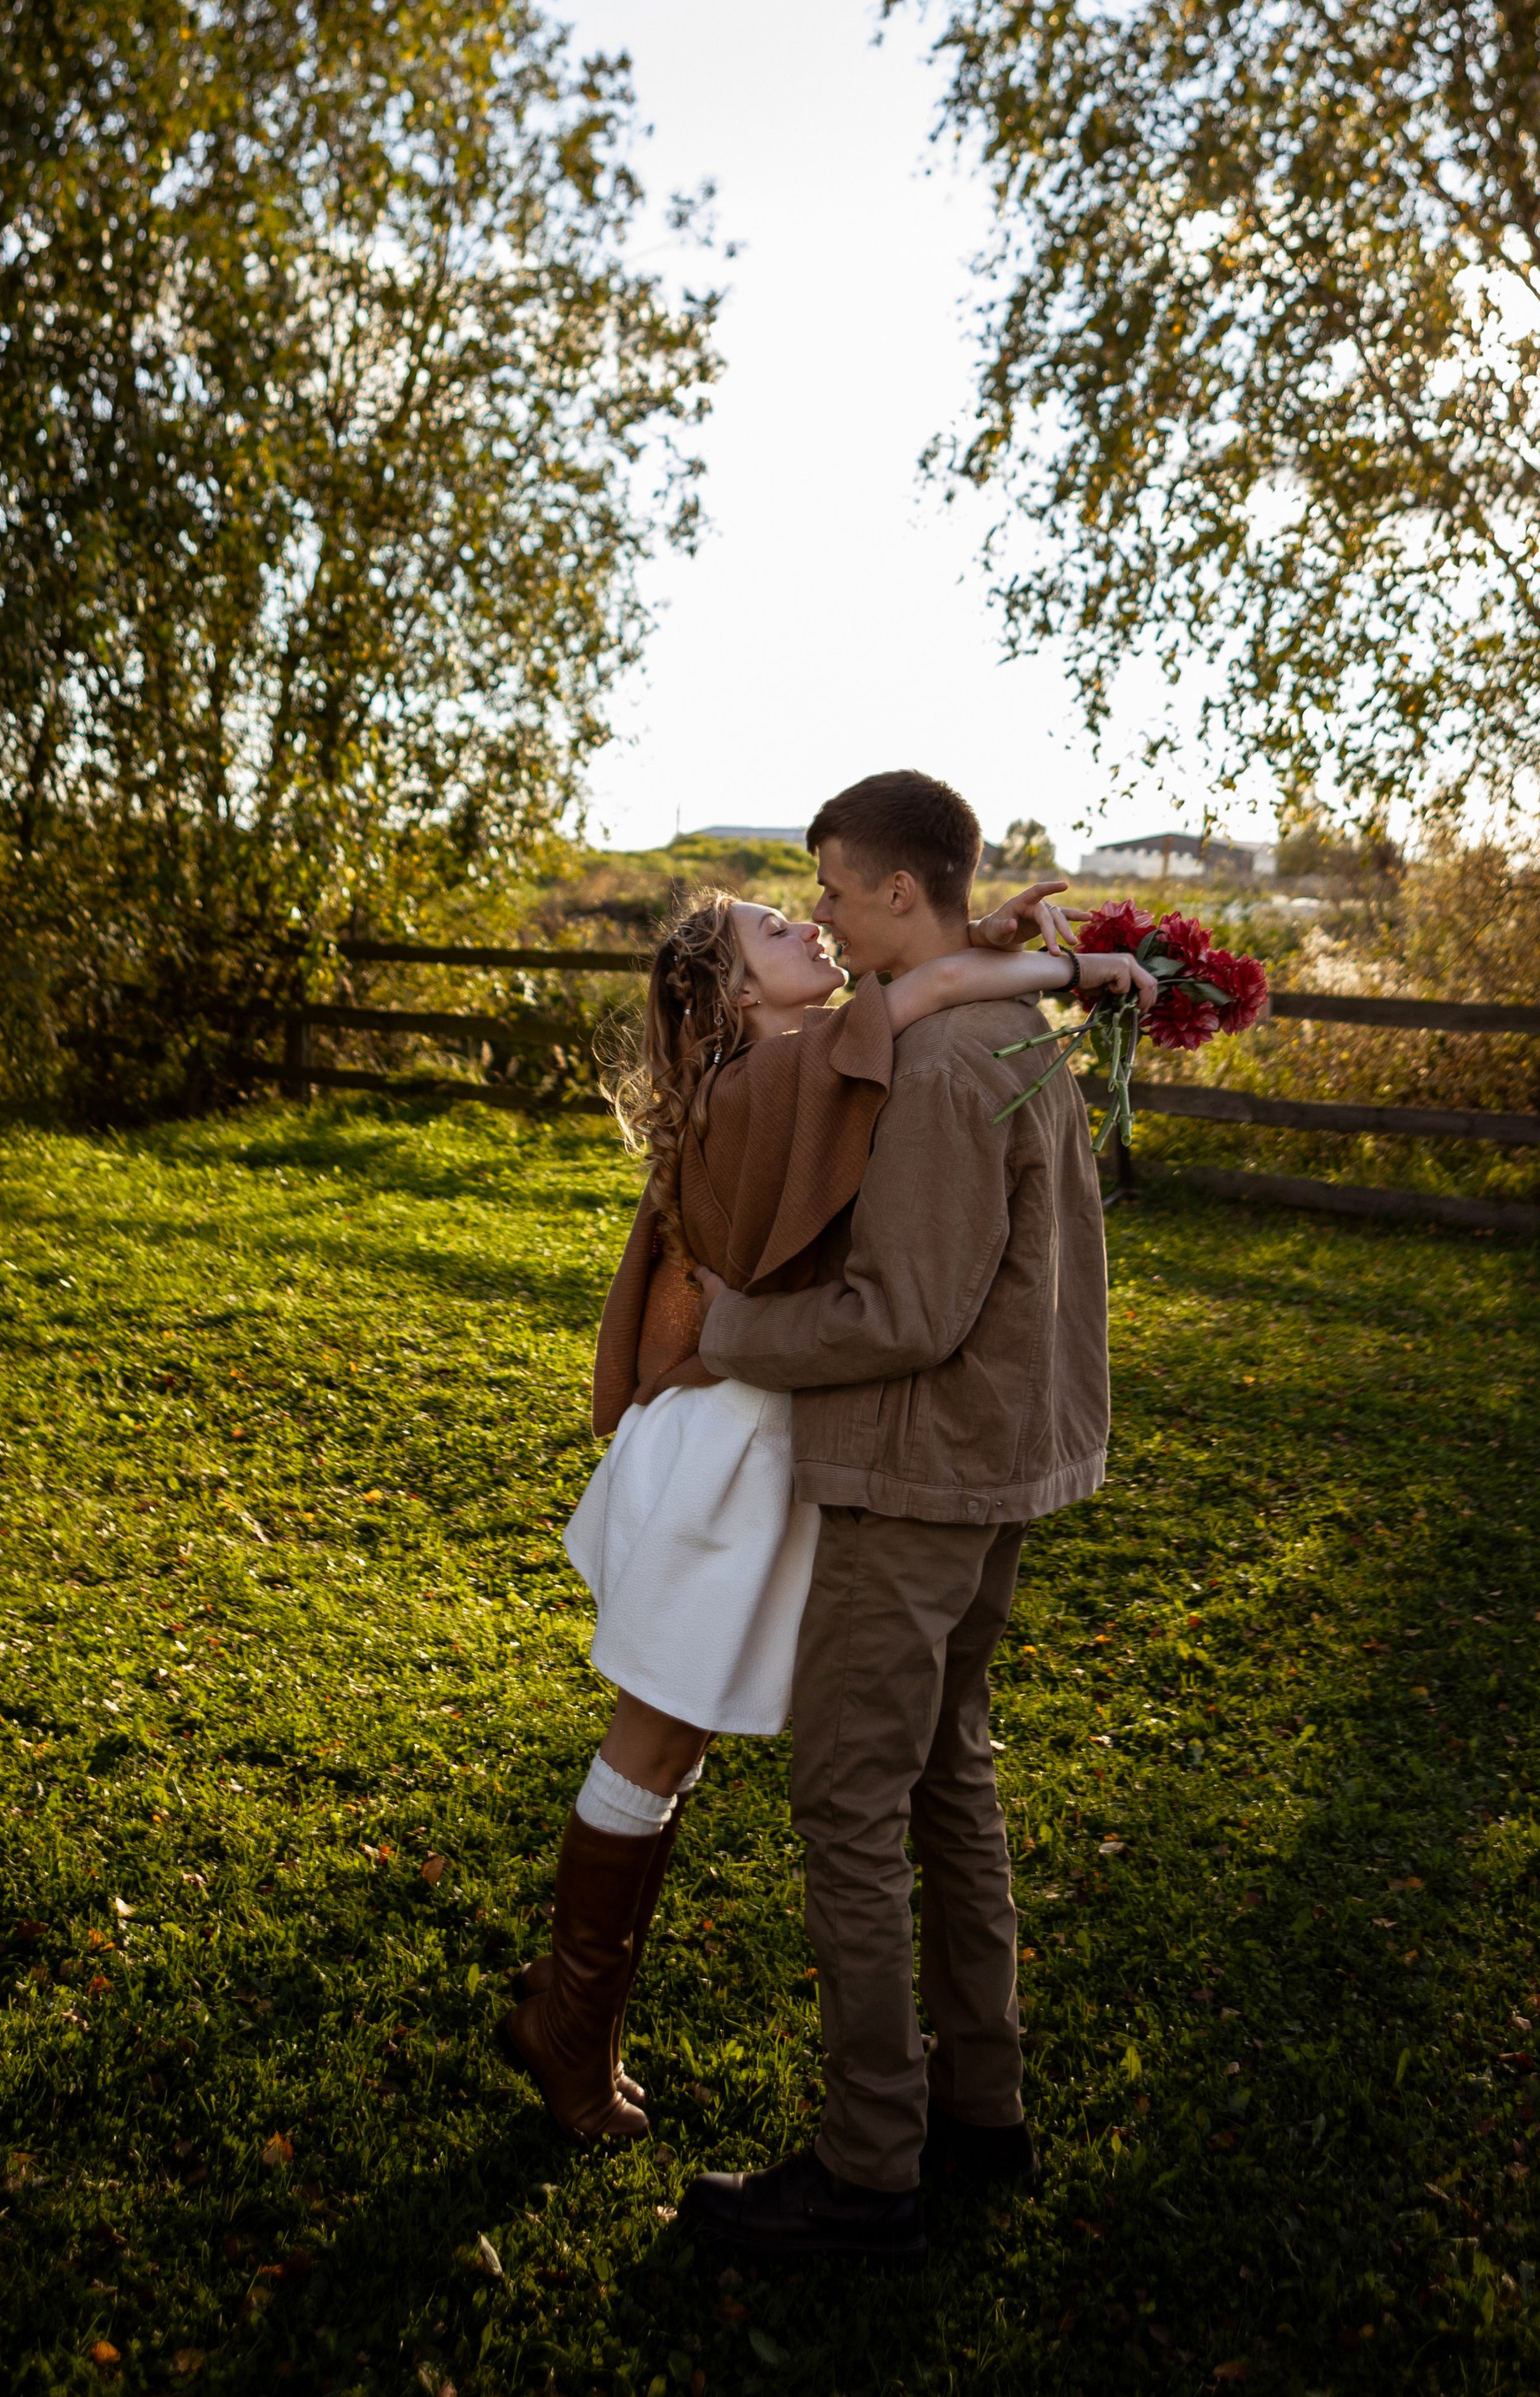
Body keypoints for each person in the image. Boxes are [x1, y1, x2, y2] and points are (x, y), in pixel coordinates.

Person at [498, 869, 1148, 2142]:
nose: (808, 924)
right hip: (728, 1452)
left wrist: (994, 932)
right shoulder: (768, 1081)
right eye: (771, 930)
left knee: (670, 1749)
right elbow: (935, 986)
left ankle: (572, 2019)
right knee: (654, 1739)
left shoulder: (811, 1064)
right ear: (738, 995)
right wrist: (1079, 971)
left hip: (776, 1433)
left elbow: (923, 987)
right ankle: (567, 2027)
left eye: (804, 912)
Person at [674, 770, 1112, 2266]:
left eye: (843, 895)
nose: (830, 922)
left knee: (850, 1805)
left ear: (907, 894)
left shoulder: (937, 1065)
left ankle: (870, 2167)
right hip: (1003, 1468)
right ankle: (982, 2109)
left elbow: (907, 1312)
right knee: (948, 1783)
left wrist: (735, 1332)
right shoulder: (1009, 1031)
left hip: (919, 1473)